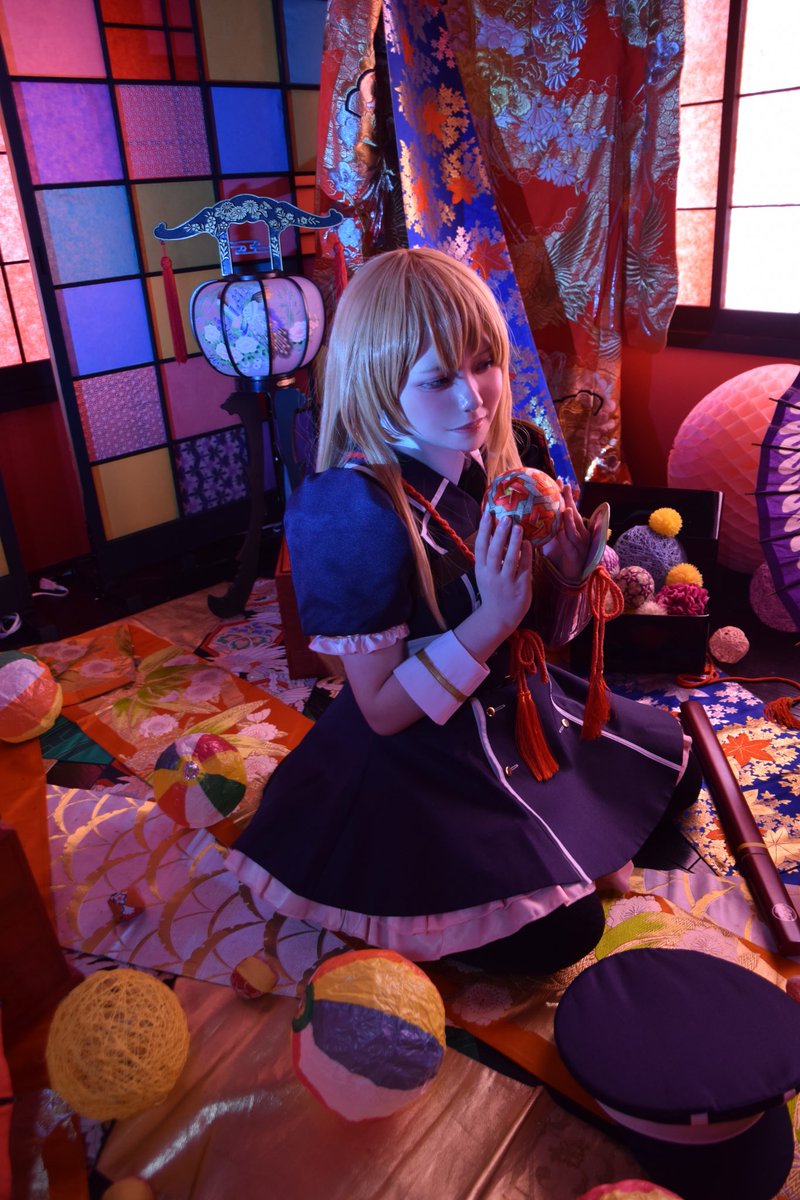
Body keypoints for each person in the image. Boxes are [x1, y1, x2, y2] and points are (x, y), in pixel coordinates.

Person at [227, 247, 699, 974]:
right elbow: (381, 710)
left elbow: (543, 636)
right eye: (439, 378)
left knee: (680, 774)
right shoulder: (350, 512)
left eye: (485, 364)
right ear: (377, 380)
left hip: (519, 702)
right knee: (563, 936)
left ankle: (573, 843)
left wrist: (570, 570)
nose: (474, 398)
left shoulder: (506, 459)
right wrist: (489, 624)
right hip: (424, 748)